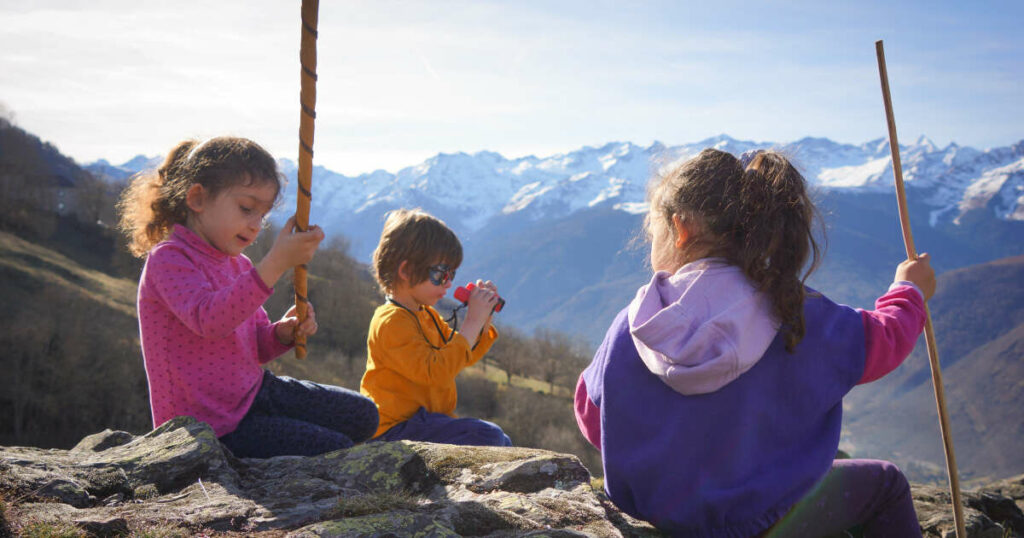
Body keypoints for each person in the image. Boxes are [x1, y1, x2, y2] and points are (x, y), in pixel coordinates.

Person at [574, 149, 933, 537]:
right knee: (886, 484)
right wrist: (909, 289)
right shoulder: (793, 311)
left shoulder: (632, 323)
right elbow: (885, 339)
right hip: (761, 524)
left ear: (680, 228)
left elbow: (593, 417)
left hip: (653, 520)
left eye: (652, 229)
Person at [118, 136, 378, 458]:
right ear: (197, 198)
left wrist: (283, 332)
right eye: (246, 209)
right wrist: (275, 264)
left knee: (364, 415)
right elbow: (210, 321)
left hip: (254, 394)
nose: (256, 226)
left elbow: (255, 346)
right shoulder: (169, 260)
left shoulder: (238, 264)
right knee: (334, 449)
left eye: (263, 215)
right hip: (212, 427)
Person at [360, 208, 512, 446]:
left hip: (425, 422)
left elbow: (462, 355)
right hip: (393, 430)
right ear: (406, 271)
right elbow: (436, 373)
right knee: (489, 436)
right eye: (441, 274)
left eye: (451, 274)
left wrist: (482, 321)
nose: (449, 283)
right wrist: (471, 323)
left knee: (501, 438)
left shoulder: (425, 314)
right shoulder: (390, 321)